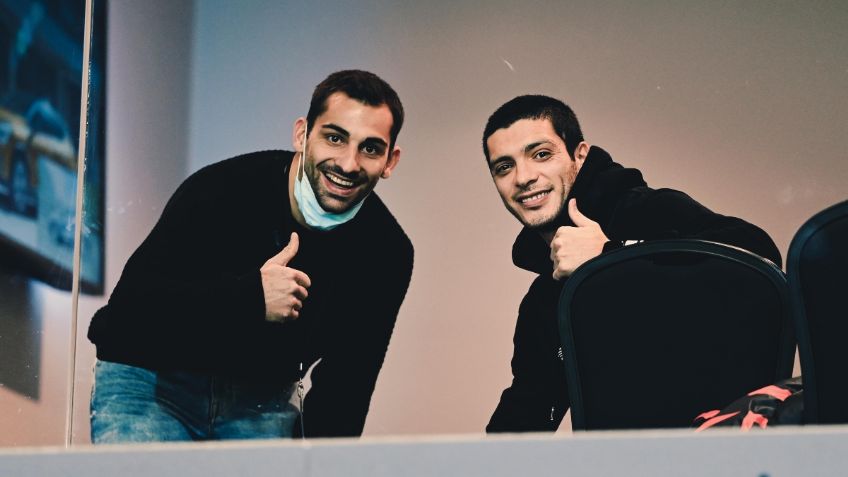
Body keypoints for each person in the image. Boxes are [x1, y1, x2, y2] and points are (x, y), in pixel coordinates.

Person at [88, 70, 414, 442]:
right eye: (335, 138)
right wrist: (250, 297)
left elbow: (347, 388)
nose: (348, 163)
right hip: (153, 381)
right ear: (302, 135)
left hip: (262, 401)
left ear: (390, 161)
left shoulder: (388, 251)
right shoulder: (221, 190)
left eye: (370, 148)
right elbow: (130, 311)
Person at [481, 94, 781, 433]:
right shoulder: (545, 297)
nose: (523, 177)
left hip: (726, 458)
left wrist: (609, 256)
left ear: (580, 156)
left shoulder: (647, 210)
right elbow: (529, 408)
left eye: (541, 154)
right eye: (504, 167)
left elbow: (761, 255)